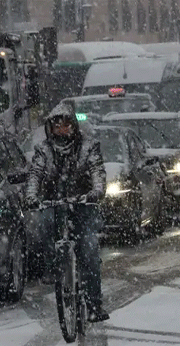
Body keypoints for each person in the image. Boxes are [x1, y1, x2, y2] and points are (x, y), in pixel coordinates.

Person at [26, 103, 110, 322]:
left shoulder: (88, 147)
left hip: (82, 204)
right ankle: (52, 266)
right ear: (50, 128)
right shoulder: (44, 150)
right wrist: (32, 196)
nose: (62, 130)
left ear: (73, 126)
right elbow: (35, 174)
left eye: (66, 125)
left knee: (89, 250)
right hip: (54, 203)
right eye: (57, 126)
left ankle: (94, 304)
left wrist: (96, 191)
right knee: (44, 224)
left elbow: (97, 171)